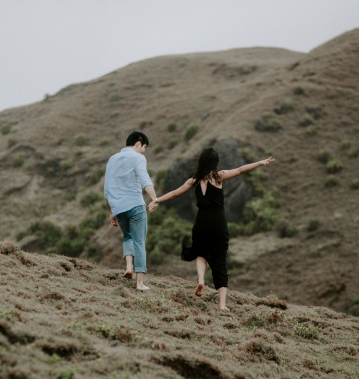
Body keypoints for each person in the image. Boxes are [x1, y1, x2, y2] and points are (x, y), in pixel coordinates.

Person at [148, 148, 274, 310]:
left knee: (201, 251)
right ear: (215, 162)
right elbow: (241, 170)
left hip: (201, 221)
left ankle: (201, 280)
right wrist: (260, 162)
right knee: (220, 260)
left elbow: (174, 194)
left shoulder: (193, 180)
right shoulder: (218, 176)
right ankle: (222, 305)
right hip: (218, 221)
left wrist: (156, 200)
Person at [103, 131, 158, 291]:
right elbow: (144, 179)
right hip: (135, 205)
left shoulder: (112, 159)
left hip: (118, 207)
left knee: (127, 237)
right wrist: (155, 198)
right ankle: (140, 282)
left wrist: (111, 211)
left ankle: (129, 266)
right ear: (138, 143)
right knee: (139, 242)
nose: (143, 151)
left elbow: (107, 188)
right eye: (144, 147)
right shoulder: (138, 158)